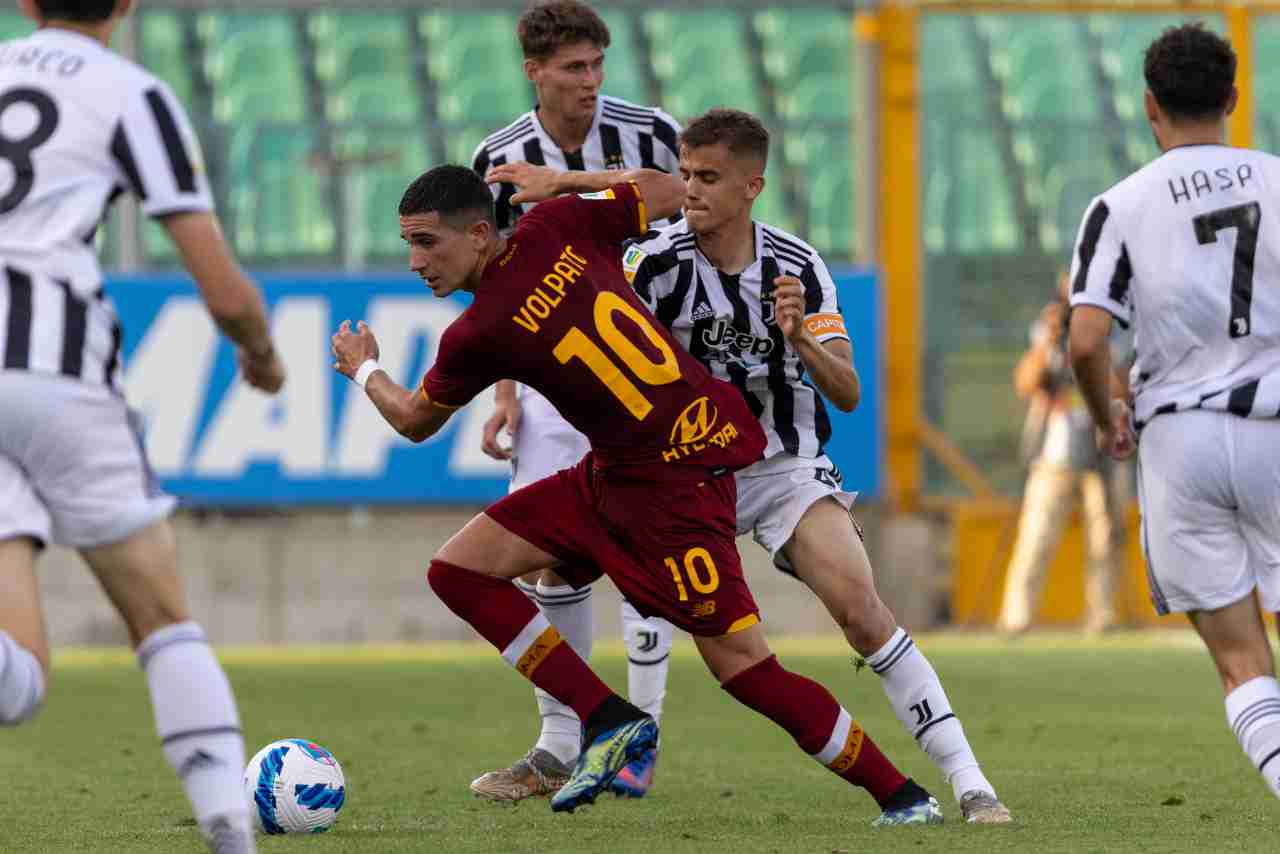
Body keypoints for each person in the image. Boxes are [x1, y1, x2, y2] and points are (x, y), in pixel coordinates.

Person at [331, 163, 942, 823]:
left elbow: (416, 421)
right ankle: (608, 717)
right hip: (616, 474)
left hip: (677, 489)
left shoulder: (478, 332)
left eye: (427, 242)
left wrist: (363, 366)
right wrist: (568, 184)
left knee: (746, 671)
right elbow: (666, 189)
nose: (416, 260)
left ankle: (903, 795)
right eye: (409, 244)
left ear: (479, 233)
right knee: (458, 569)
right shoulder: (560, 223)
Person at [483, 108, 1007, 822]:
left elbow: (848, 392)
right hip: (680, 476)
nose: (691, 190)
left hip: (778, 466)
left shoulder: (797, 266)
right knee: (560, 570)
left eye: (708, 177)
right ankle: (589, 741)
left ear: (752, 186)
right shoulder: (653, 264)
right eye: (686, 174)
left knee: (859, 607)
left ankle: (970, 781)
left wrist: (800, 337)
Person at [0, 2, 287, 852]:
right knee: (162, 620)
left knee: (20, 684)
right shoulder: (131, 92)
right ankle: (230, 833)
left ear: (24, 4)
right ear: (125, 6)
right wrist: (262, 355)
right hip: (52, 363)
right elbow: (224, 287)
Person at [470, 0, 683, 800]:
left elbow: (674, 193)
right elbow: (496, 280)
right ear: (535, 71)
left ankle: (640, 747)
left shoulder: (648, 129)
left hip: (644, 372)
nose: (591, 81)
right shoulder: (497, 155)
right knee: (546, 562)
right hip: (552, 382)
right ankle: (561, 743)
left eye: (597, 65)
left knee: (646, 556)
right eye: (573, 68)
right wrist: (505, 393)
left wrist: (564, 183)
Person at [1068, 22, 1280, 801]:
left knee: (1240, 663)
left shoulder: (1119, 206)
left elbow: (1086, 338)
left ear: (1150, 106)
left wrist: (1106, 412)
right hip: (1278, 430)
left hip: (1181, 442)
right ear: (1232, 98)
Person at [997, 272, 1124, 636]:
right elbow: (1025, 382)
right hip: (1054, 451)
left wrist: (1093, 352)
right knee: (1036, 536)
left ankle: (1103, 615)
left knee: (1105, 536)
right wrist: (1050, 342)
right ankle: (1017, 616)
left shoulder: (1109, 331)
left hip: (1100, 450)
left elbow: (1119, 387)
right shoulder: (1048, 334)